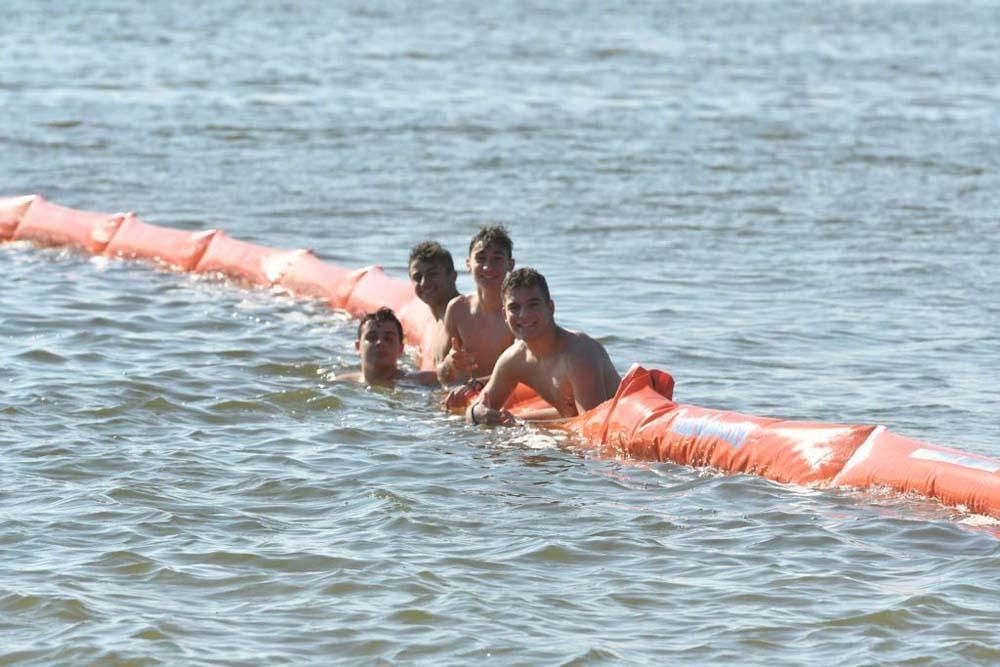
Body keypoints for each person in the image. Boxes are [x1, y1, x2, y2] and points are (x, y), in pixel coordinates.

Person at [466, 268, 620, 425]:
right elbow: (476, 409)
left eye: (533, 305)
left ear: (550, 308)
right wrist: (477, 413)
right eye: (514, 308)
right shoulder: (514, 360)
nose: (524, 314)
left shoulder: (579, 353)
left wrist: (524, 426)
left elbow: (592, 425)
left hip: (619, 427)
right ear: (505, 315)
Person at [436, 225, 516, 386]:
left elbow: (528, 369)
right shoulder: (458, 309)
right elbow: (440, 373)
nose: (488, 267)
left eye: (497, 258)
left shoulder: (518, 312)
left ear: (510, 264)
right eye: (480, 258)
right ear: (468, 264)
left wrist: (479, 385)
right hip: (460, 395)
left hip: (501, 398)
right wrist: (450, 364)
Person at [336, 307, 438, 386]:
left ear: (400, 349)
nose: (380, 342)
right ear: (358, 347)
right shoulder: (341, 384)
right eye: (372, 338)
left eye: (388, 339)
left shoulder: (425, 381)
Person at [407, 241, 460, 369]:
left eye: (433, 274)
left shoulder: (465, 316)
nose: (424, 282)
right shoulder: (438, 321)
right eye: (417, 277)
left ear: (452, 277)